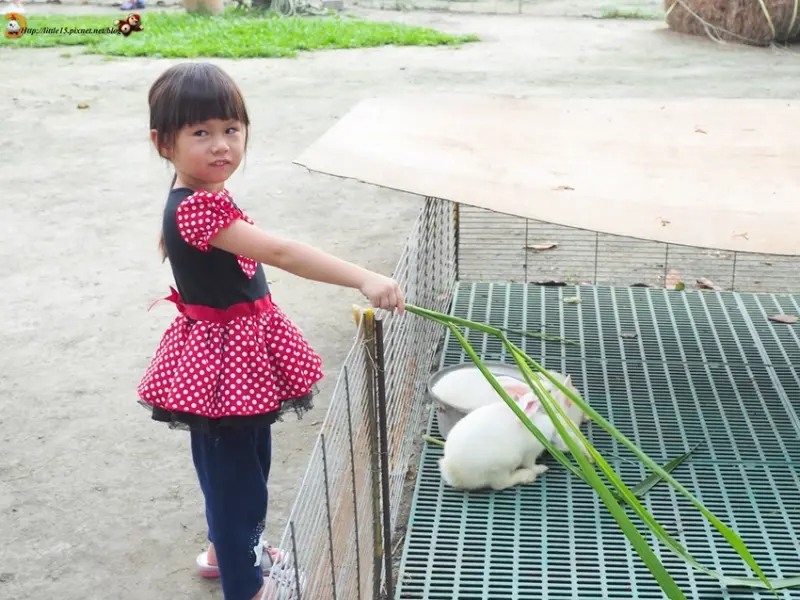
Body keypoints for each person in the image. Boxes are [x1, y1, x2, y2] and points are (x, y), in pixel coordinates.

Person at [138, 62, 405, 600]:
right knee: (240, 482)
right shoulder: (198, 208)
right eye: (201, 133)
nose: (222, 146)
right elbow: (282, 253)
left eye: (232, 130)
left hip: (230, 360)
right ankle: (247, 585)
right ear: (163, 142)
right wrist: (363, 276)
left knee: (238, 467)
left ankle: (226, 550)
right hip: (223, 367)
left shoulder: (198, 196)